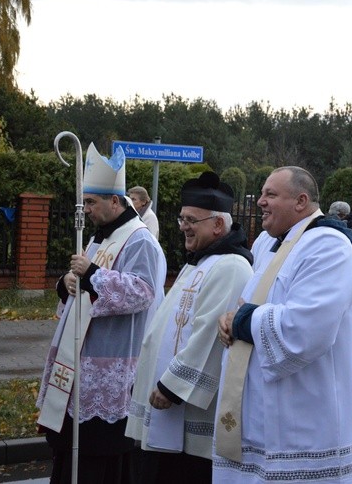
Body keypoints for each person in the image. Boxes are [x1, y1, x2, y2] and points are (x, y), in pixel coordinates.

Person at [214, 166, 352, 483]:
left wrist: (241, 320)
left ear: (300, 201)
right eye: (261, 194)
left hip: (303, 421)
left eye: (270, 194)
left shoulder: (328, 247)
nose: (260, 201)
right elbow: (253, 303)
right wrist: (230, 320)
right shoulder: (270, 246)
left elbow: (305, 327)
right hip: (263, 415)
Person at [36, 143, 167, 483]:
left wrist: (92, 274)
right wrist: (66, 282)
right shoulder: (98, 238)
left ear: (115, 201)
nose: (87, 210)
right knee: (69, 452)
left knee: (100, 459)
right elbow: (82, 284)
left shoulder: (140, 241)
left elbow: (143, 291)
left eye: (92, 203)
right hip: (78, 358)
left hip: (110, 362)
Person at [125, 172, 254, 483]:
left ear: (218, 225)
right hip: (168, 397)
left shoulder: (232, 266)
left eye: (192, 220)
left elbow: (209, 335)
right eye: (182, 218)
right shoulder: (199, 262)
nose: (183, 225)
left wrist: (172, 386)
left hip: (188, 406)